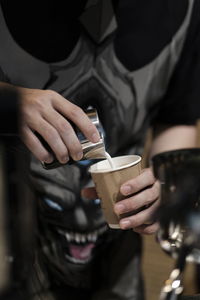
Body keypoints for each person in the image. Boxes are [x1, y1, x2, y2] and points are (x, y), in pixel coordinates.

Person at [0, 0, 200, 299]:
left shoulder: (183, 9)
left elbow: (176, 117)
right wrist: (9, 101)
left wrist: (167, 188)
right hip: (9, 254)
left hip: (117, 269)